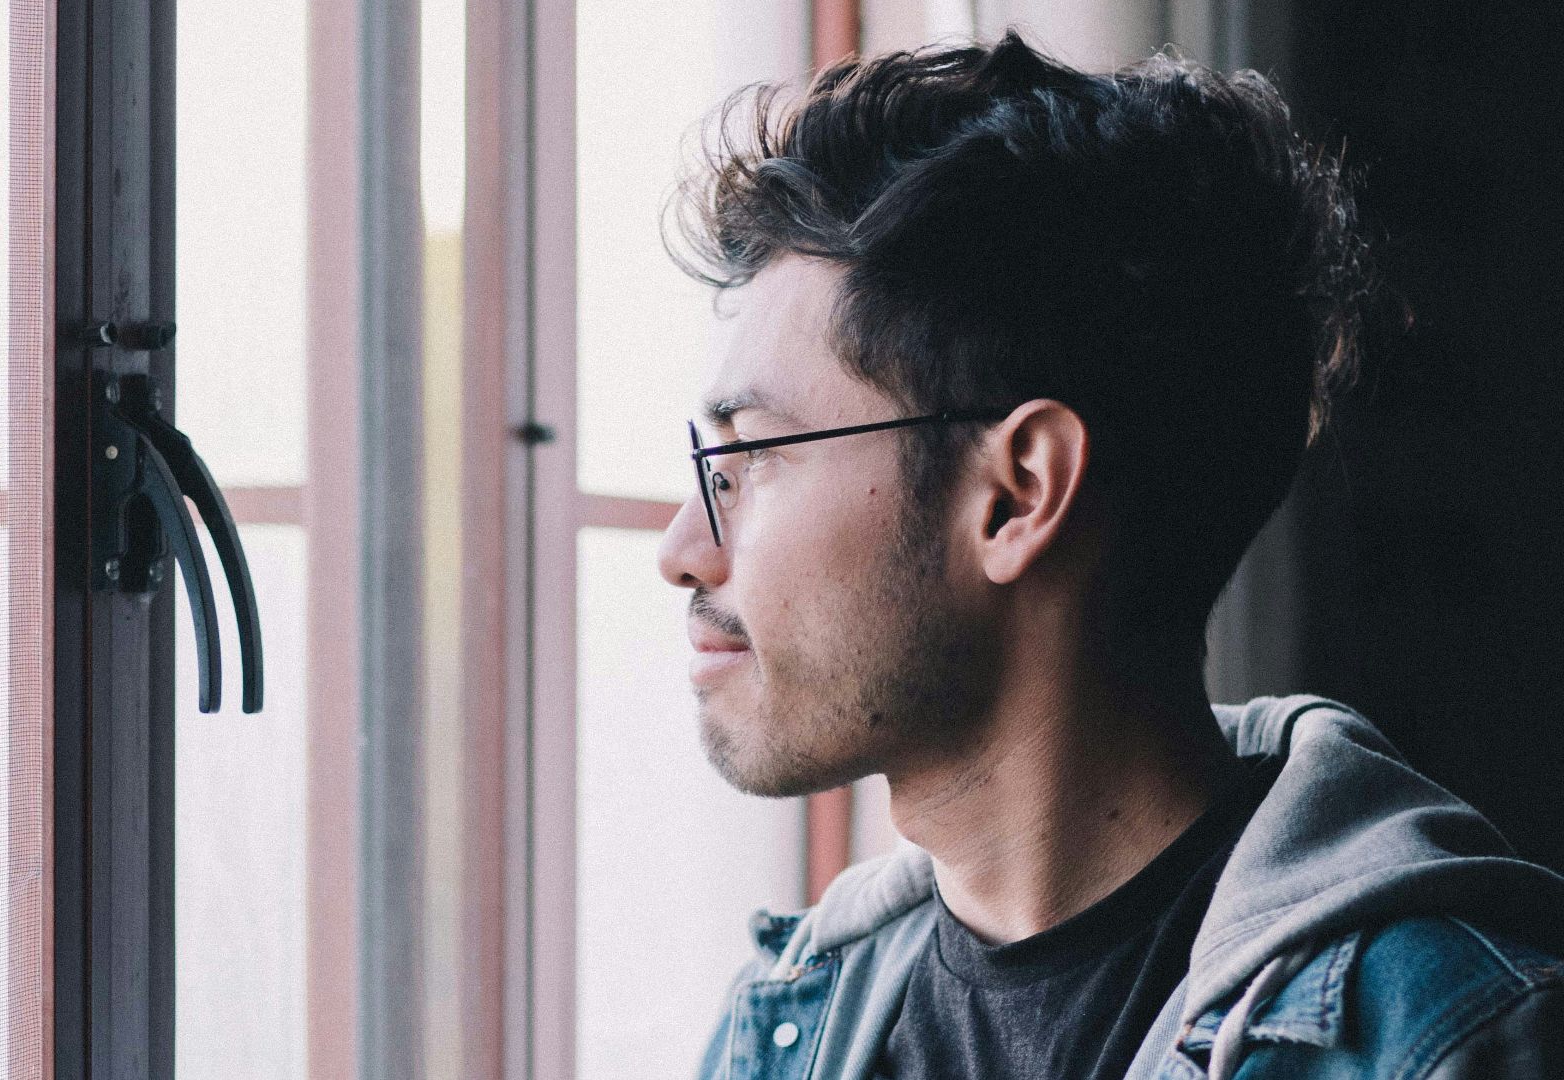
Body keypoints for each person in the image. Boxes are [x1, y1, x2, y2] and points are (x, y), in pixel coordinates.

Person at [656, 31, 1564, 1080]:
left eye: (747, 459)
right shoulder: (793, 1022)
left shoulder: (1451, 1044)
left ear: (1018, 494)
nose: (685, 551)